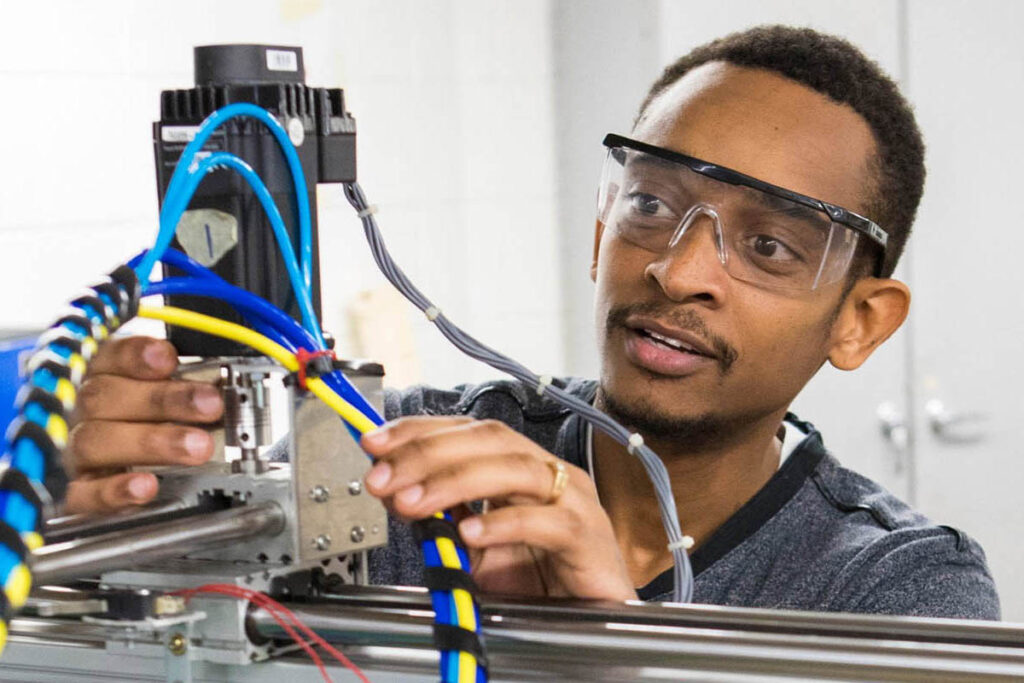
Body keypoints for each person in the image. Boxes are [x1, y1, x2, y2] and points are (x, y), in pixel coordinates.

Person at [64, 26, 999, 618]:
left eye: (768, 249)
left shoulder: (896, 591)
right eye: (650, 206)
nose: (678, 269)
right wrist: (109, 512)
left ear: (861, 323)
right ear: (602, 230)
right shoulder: (385, 470)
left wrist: (620, 642)